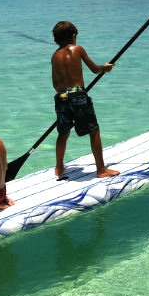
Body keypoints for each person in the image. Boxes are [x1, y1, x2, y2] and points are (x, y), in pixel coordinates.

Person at [51, 21, 120, 178]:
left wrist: (66, 93)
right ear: (73, 35)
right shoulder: (78, 49)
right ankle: (101, 169)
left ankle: (59, 167)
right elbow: (95, 69)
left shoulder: (54, 56)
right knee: (93, 130)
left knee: (63, 133)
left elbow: (55, 84)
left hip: (61, 97)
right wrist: (105, 68)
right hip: (78, 96)